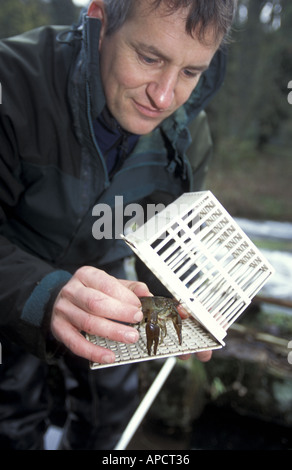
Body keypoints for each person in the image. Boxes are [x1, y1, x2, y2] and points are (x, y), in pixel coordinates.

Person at [0, 0, 236, 450]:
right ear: (100, 20)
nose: (164, 97)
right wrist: (48, 295)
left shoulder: (189, 133)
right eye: (149, 58)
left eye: (191, 72)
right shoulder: (11, 83)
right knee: (12, 415)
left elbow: (168, 240)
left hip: (110, 276)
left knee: (111, 413)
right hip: (14, 274)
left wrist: (182, 301)